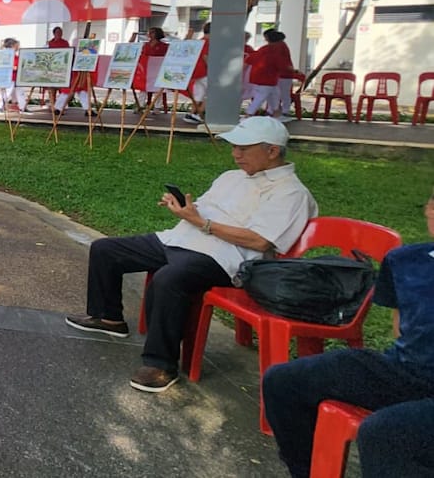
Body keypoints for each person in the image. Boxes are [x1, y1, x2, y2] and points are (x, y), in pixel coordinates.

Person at [65, 116, 317, 392]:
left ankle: (161, 364)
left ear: (272, 151)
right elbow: (202, 209)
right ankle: (108, 318)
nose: (236, 154)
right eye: (234, 147)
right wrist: (185, 209)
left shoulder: (291, 193)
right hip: (183, 239)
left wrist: (202, 223)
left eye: (244, 148)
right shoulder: (232, 177)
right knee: (106, 250)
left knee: (168, 279)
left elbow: (259, 241)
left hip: (226, 257)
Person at [263, 189, 434, 478]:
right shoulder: (405, 261)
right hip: (405, 370)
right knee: (283, 382)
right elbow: (402, 326)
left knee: (385, 434)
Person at [246, 29, 292, 118]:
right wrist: (293, 70)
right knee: (262, 97)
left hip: (261, 78)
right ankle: (249, 114)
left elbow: (250, 59)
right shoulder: (278, 49)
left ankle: (274, 112)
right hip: (268, 79)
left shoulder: (264, 49)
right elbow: (282, 65)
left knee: (274, 94)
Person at [134, 27, 170, 113]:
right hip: (146, 70)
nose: (149, 34)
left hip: (158, 70)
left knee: (158, 88)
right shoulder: (145, 45)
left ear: (157, 34)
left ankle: (157, 107)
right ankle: (140, 105)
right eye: (149, 32)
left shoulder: (164, 46)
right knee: (142, 88)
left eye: (152, 32)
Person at [184, 23, 211, 125]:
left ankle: (192, 113)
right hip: (204, 71)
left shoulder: (199, 41)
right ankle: (199, 114)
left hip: (196, 71)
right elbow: (205, 56)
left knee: (199, 93)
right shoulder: (207, 42)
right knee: (212, 93)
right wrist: (212, 69)